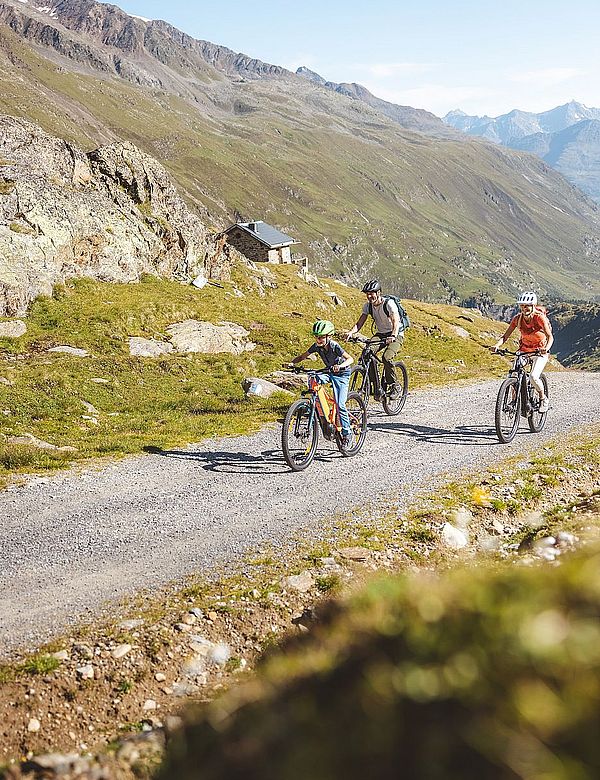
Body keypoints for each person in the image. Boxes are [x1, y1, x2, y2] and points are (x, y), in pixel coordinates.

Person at [290, 320, 354, 447]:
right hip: (329, 372)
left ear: (329, 336)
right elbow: (303, 356)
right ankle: (317, 407)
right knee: (313, 378)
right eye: (316, 337)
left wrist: (340, 366)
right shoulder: (316, 347)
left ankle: (347, 433)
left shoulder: (335, 346)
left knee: (340, 404)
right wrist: (292, 364)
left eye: (321, 337)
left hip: (342, 374)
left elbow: (350, 359)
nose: (318, 340)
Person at [493, 291, 553, 412]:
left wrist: (545, 349)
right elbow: (505, 336)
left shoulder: (539, 318)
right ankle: (514, 400)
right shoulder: (517, 319)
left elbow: (550, 336)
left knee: (533, 377)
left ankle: (543, 398)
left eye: (527, 306)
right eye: (522, 306)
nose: (524, 308)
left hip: (539, 352)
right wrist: (496, 345)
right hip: (524, 351)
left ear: (533, 306)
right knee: (513, 374)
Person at [347, 279, 402, 398]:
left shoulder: (389, 304)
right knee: (366, 353)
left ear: (378, 293)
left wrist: (393, 336)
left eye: (371, 293)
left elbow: (395, 321)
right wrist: (351, 332)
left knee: (386, 358)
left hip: (395, 334)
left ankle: (395, 385)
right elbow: (360, 322)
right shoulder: (368, 306)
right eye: (367, 294)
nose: (369, 296)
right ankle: (375, 385)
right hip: (381, 333)